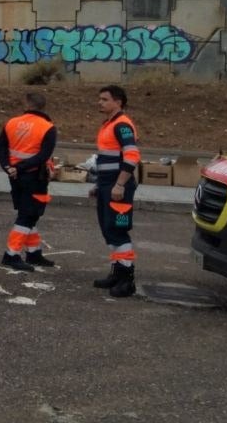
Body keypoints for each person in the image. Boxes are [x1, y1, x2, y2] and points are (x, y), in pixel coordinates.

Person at [0, 91, 58, 272]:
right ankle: (11, 254)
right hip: (34, 177)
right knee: (28, 215)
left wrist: (8, 167)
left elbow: (0, 148)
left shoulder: (11, 122)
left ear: (27, 105)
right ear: (43, 107)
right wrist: (21, 168)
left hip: (15, 177)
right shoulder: (47, 127)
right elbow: (43, 155)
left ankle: (33, 252)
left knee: (28, 213)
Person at [90, 85, 141, 298]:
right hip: (107, 185)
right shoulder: (109, 124)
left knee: (118, 230)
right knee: (108, 229)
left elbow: (132, 156)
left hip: (117, 185)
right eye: (99, 99)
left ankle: (127, 279)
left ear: (118, 102)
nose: (99, 102)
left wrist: (119, 185)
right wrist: (99, 186)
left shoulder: (122, 125)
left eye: (104, 99)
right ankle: (117, 272)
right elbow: (106, 158)